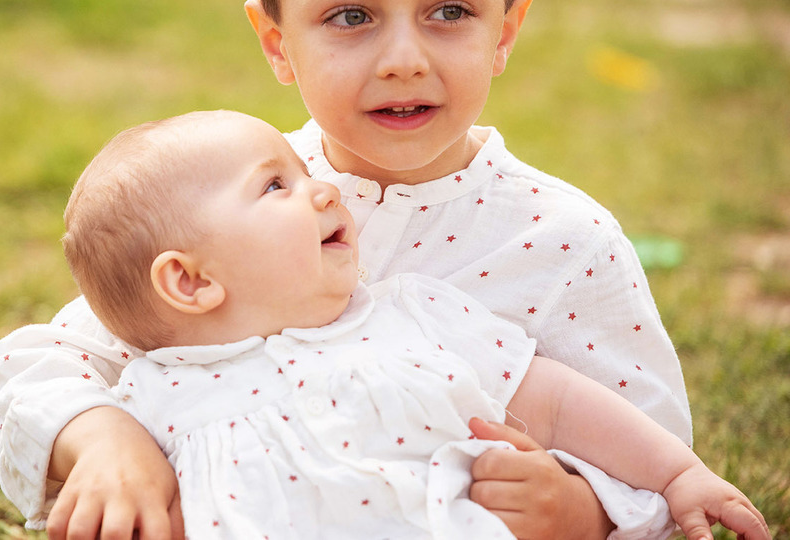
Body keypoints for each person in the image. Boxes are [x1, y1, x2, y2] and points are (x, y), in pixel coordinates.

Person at [0, 0, 697, 537]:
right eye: (351, 17)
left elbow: (661, 452)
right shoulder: (233, 197)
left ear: (505, 31)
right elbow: (47, 362)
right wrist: (103, 437)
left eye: (450, 11)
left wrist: (587, 513)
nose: (403, 60)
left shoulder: (561, 241)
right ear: (276, 42)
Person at [53, 109, 767, 540]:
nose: (323, 188)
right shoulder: (147, 400)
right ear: (191, 280)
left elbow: (554, 401)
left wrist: (676, 473)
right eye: (277, 185)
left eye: (303, 172)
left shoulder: (410, 317)